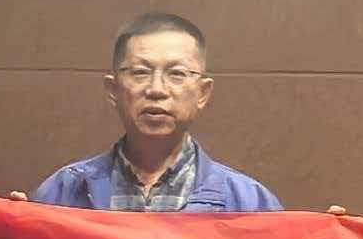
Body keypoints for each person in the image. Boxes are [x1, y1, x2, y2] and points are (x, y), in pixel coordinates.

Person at [29, 12, 282, 212]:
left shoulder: (249, 203)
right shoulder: (62, 193)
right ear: (113, 89)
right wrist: (14, 230)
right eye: (140, 72)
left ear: (203, 93)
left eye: (177, 74)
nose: (157, 90)